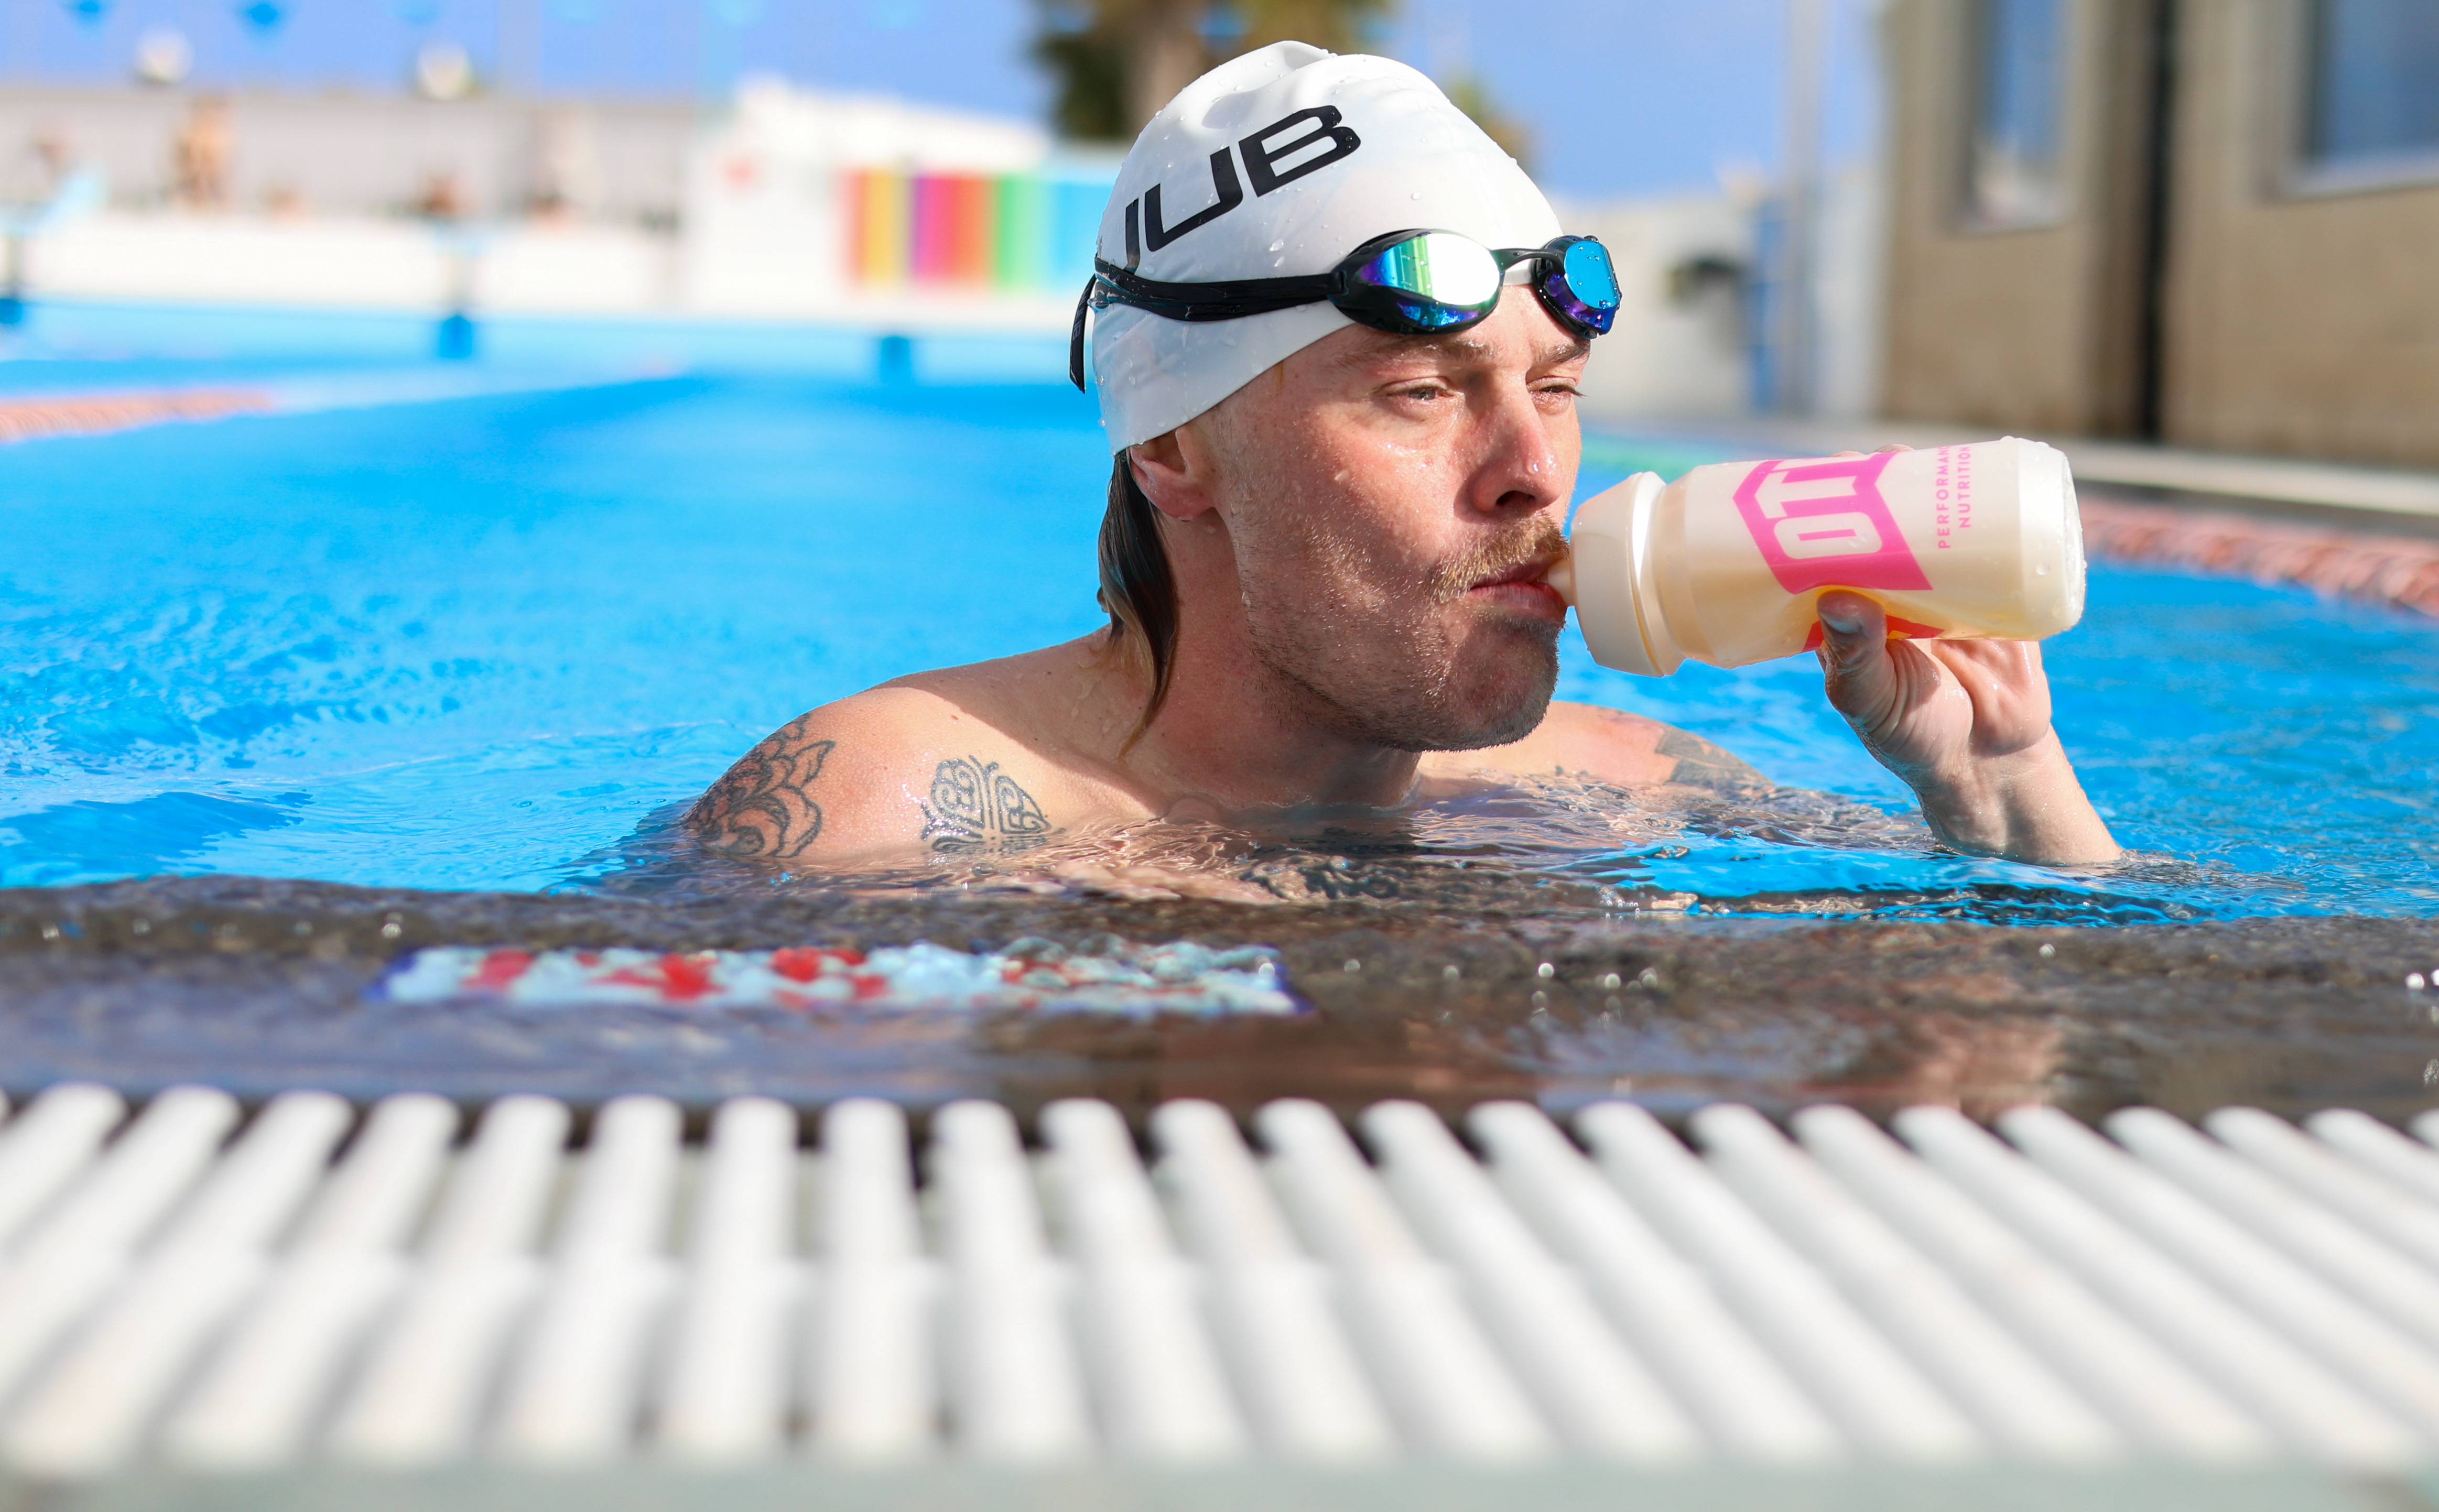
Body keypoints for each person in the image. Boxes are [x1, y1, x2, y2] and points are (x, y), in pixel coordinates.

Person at [686, 43, 2117, 895]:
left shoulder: (1632, 782)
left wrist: (1999, 793)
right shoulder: (891, 811)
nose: (1532, 476)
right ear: (1178, 444)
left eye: (1555, 391)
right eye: (1422, 392)